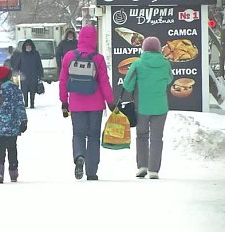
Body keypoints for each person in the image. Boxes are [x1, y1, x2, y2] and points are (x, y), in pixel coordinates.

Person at [59, 25, 115, 181]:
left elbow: (63, 81)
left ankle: (79, 156)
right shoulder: (98, 58)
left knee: (78, 134)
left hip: (76, 105)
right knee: (93, 136)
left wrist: (64, 101)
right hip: (95, 105)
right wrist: (110, 102)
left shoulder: (69, 56)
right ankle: (91, 171)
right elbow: (104, 82)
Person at [123, 37, 173, 180]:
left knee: (142, 136)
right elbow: (169, 79)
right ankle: (154, 170)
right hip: (161, 107)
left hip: (142, 107)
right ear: (158, 48)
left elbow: (127, 84)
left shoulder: (137, 64)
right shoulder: (165, 64)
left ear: (143, 48)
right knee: (157, 138)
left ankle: (142, 166)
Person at [14, 39, 43, 108]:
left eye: (29, 46)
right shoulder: (21, 54)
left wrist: (41, 74)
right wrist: (15, 71)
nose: (28, 47)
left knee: (33, 90)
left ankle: (32, 103)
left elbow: (39, 64)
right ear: (24, 47)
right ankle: (26, 103)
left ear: (32, 46)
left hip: (34, 75)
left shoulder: (36, 54)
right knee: (24, 90)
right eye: (27, 46)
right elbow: (17, 64)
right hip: (24, 76)